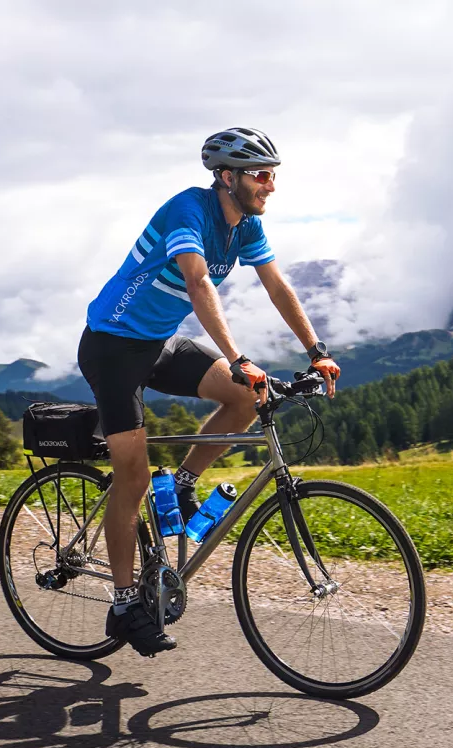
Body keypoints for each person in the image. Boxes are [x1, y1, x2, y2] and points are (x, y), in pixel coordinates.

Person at [77, 127, 341, 656]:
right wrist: (239, 357)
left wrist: (316, 350)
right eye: (261, 175)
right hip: (111, 347)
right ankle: (126, 602)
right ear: (227, 177)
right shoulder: (188, 211)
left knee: (245, 397)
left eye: (273, 175)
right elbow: (198, 284)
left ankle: (183, 483)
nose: (270, 185)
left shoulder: (244, 226)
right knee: (131, 473)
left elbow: (276, 285)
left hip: (156, 343)